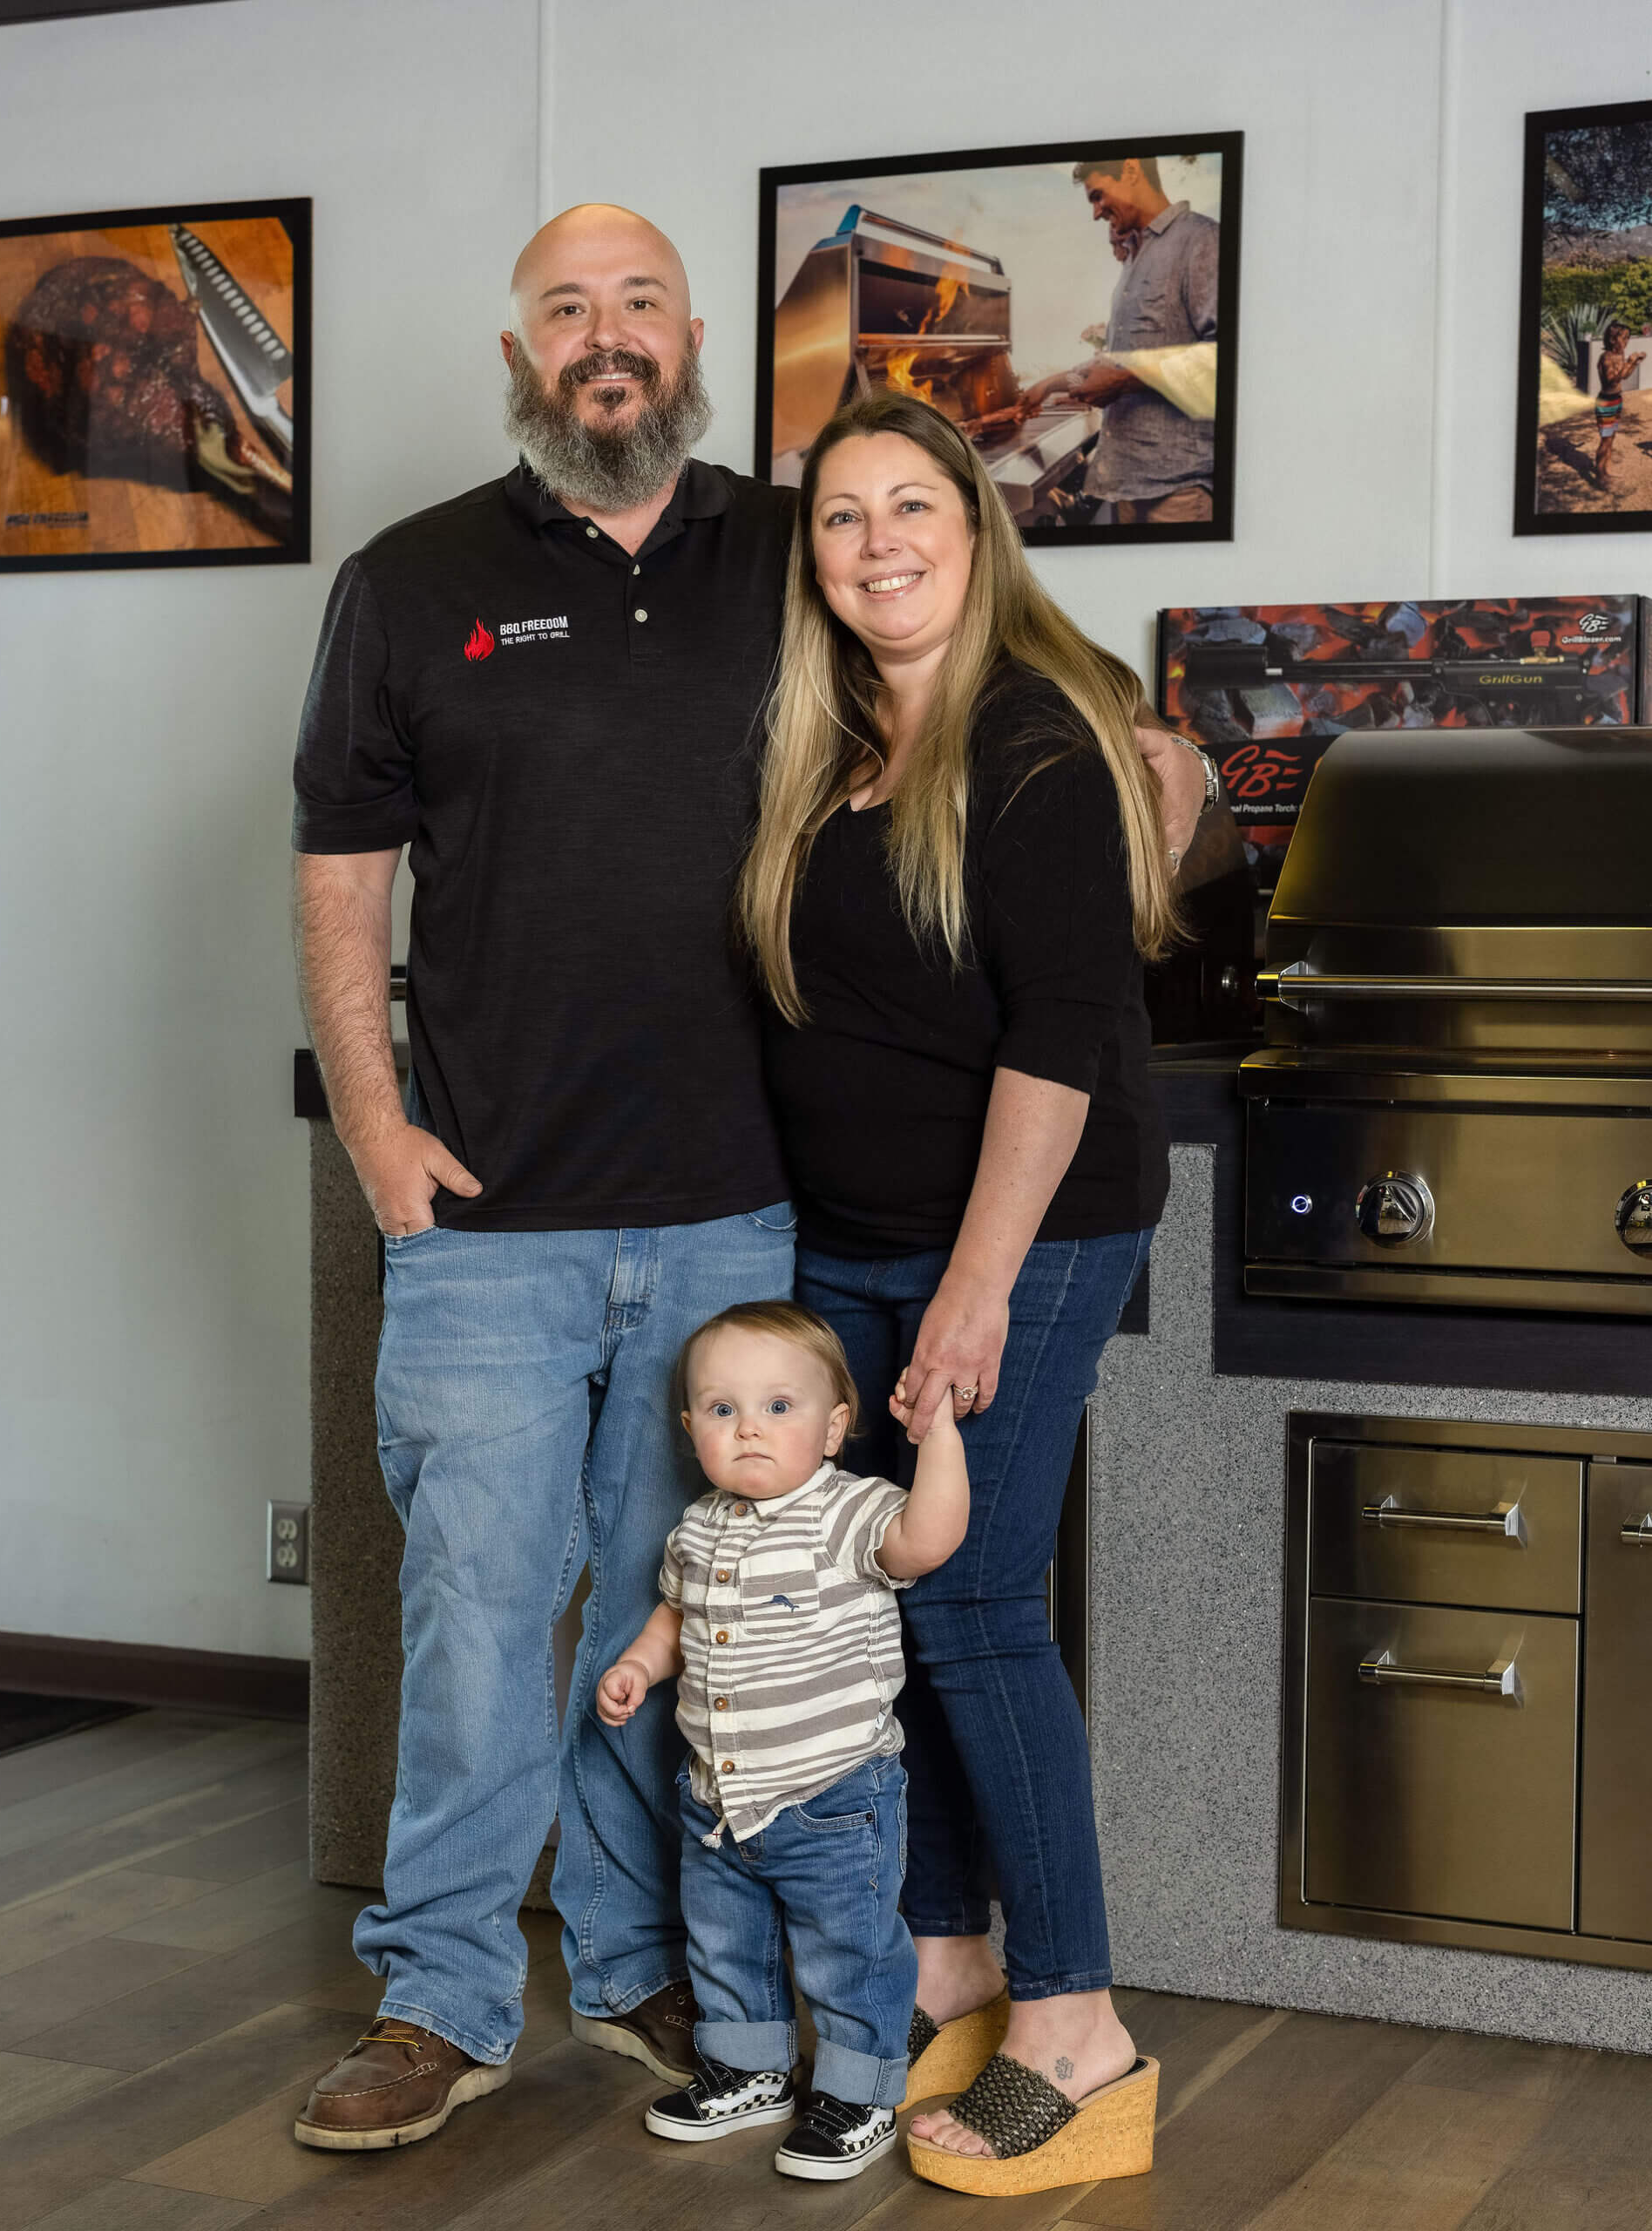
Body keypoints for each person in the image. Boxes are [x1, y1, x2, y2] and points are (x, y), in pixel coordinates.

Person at [289, 201, 1209, 2155]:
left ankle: (642, 1974)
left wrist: (1157, 759)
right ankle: (438, 1994)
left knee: (703, 1608)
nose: (602, 338)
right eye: (564, 309)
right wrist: (373, 1128)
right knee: (474, 1614)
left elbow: (1025, 688)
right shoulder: (406, 577)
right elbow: (338, 867)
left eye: (637, 304)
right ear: (518, 346)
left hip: (739, 1219)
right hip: (494, 1214)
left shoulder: (771, 557)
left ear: (693, 337)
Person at [740, 389, 1171, 2194]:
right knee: (891, 1597)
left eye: (910, 505)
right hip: (847, 1238)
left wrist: (974, 1288)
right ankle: (945, 1960)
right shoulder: (822, 750)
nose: (876, 543)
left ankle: (1078, 2028)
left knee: (975, 1597)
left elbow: (1061, 1035)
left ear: (974, 529)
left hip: (1019, 1236)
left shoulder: (1037, 741)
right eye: (840, 517)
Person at [597, 1299, 968, 2180]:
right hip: (718, 1796)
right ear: (691, 1429)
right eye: (722, 1410)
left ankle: (857, 2091)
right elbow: (676, 1615)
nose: (748, 1429)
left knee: (850, 1950)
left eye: (777, 1407)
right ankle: (749, 2066)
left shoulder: (848, 1512)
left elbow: (927, 1538)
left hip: (832, 1796)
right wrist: (641, 1668)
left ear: (835, 1427)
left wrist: (939, 1435)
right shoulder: (698, 1528)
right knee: (723, 1941)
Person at [1020, 154, 1219, 526]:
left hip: (1177, 493)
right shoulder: (1134, 259)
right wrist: (1048, 385)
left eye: (1098, 196)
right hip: (1125, 486)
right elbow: (1115, 363)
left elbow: (1225, 359)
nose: (1096, 213)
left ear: (1131, 169)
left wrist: (1124, 381)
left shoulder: (1200, 240)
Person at [1594, 320, 1645, 484]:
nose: (1627, 341)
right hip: (1606, 402)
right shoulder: (1607, 357)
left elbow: (1624, 376)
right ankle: (1600, 476)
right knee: (1606, 439)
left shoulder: (1619, 355)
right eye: (1623, 338)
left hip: (1616, 400)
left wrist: (1635, 364)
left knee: (1611, 438)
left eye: (1628, 338)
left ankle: (1606, 469)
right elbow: (1611, 380)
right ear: (1612, 339)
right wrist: (1630, 362)